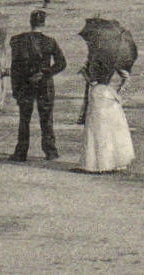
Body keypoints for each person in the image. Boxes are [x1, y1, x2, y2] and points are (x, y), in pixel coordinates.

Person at [9, 10, 67, 163]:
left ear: (30, 22)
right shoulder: (50, 41)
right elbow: (61, 63)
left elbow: (14, 67)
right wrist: (47, 73)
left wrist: (15, 88)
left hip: (25, 84)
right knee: (46, 119)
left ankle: (21, 153)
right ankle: (51, 152)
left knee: (24, 119)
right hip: (44, 84)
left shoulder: (17, 40)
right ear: (44, 23)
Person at [80, 77, 134, 173]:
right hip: (107, 95)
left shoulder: (97, 87)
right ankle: (109, 162)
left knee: (98, 130)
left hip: (100, 94)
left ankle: (97, 163)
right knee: (108, 131)